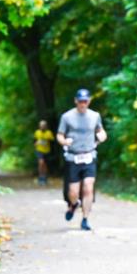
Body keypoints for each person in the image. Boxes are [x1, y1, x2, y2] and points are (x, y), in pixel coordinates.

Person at [57, 89, 107, 231]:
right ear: (76, 101)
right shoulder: (67, 117)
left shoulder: (95, 116)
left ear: (89, 101)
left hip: (89, 155)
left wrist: (102, 135)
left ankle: (85, 219)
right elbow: (59, 135)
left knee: (88, 187)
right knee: (73, 192)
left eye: (85, 101)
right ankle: (74, 204)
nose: (83, 104)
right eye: (80, 101)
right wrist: (64, 142)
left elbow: (100, 130)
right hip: (73, 156)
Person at [33, 120, 54, 185]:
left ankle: (44, 177)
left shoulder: (49, 132)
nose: (42, 127)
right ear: (39, 126)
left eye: (43, 125)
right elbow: (34, 141)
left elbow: (52, 140)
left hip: (47, 150)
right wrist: (36, 143)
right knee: (41, 162)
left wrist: (48, 139)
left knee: (45, 165)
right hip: (39, 150)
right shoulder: (37, 132)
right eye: (41, 125)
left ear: (46, 126)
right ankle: (40, 177)